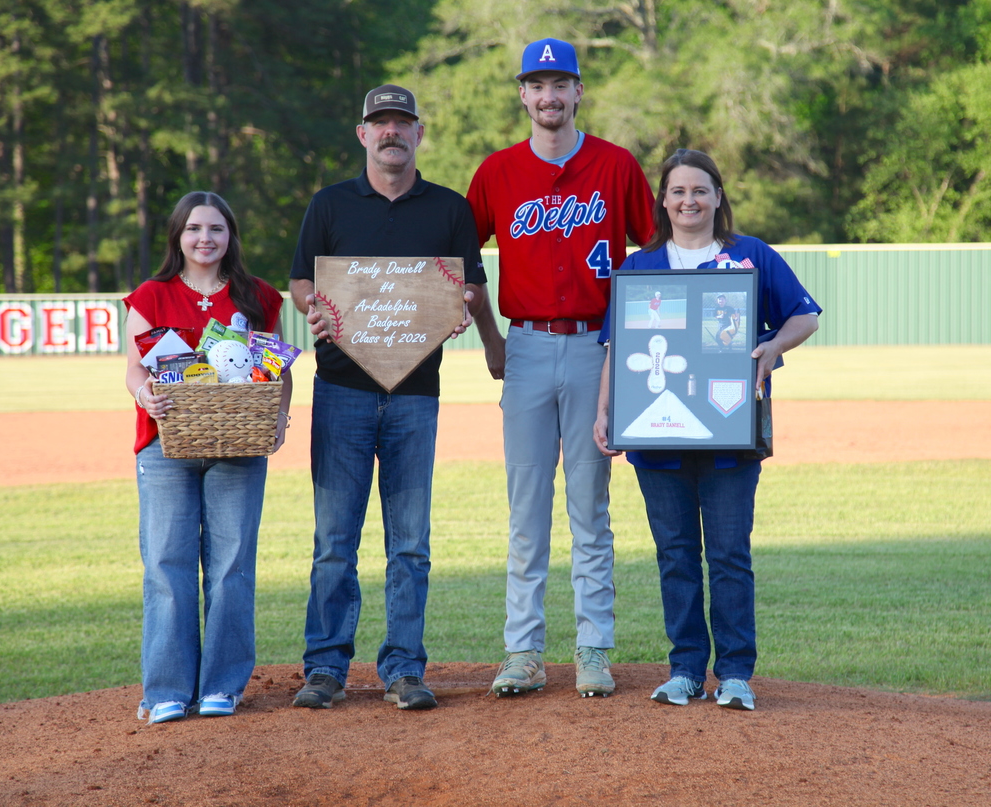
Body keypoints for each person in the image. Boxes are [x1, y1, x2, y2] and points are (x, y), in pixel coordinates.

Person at [288, 84, 496, 711]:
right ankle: (325, 668)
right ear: (362, 134)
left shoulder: (449, 209)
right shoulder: (329, 204)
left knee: (409, 544)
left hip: (414, 395)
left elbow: (471, 287)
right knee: (334, 541)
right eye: (379, 123)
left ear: (418, 133)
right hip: (341, 391)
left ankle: (404, 669)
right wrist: (312, 308)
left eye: (401, 123)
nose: (391, 133)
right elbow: (300, 281)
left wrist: (482, 333)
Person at [594, 148, 821, 710]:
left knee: (727, 554)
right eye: (678, 191)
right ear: (663, 201)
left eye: (700, 190)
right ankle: (687, 669)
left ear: (718, 196)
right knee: (674, 554)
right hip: (657, 436)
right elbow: (616, 349)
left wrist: (772, 346)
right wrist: (604, 413)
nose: (689, 200)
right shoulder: (641, 266)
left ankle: (736, 673)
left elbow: (806, 314)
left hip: (729, 435)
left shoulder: (750, 257)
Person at [467, 38, 655, 698]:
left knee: (590, 508)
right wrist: (492, 338)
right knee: (526, 510)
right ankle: (523, 651)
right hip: (524, 345)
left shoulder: (616, 165)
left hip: (594, 350)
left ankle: (593, 648)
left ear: (579, 92)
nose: (548, 96)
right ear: (522, 95)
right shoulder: (496, 173)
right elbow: (461, 265)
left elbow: (656, 256)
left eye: (560, 83)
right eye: (536, 84)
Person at [124, 191, 292, 724]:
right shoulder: (150, 296)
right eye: (195, 228)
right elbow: (134, 370)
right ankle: (167, 690)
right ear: (178, 235)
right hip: (165, 442)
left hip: (239, 444)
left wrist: (278, 418)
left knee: (231, 567)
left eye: (216, 229)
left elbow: (278, 371)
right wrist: (143, 393)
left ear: (230, 237)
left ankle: (223, 684)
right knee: (166, 566)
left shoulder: (257, 296)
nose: (205, 238)